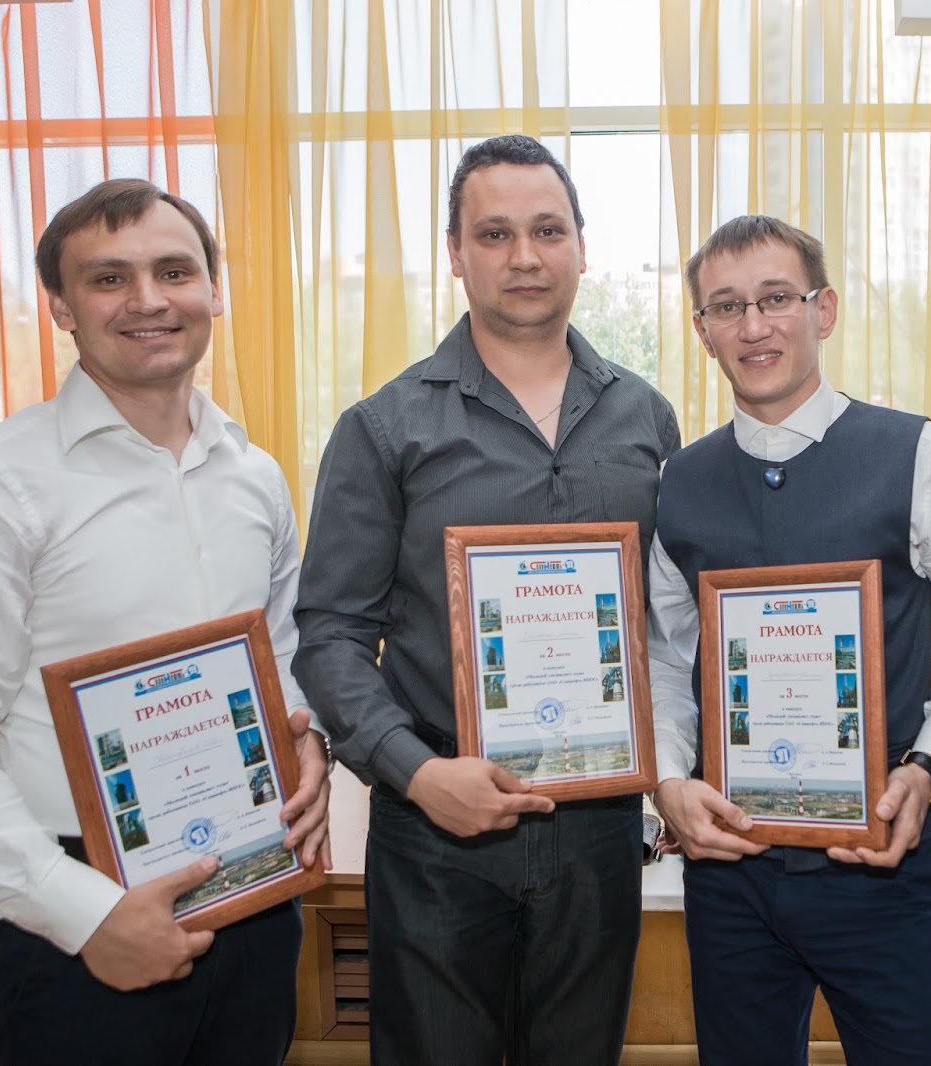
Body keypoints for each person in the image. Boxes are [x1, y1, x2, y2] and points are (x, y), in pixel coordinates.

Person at [0, 179, 333, 1065]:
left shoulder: (253, 476)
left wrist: (309, 738)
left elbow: (282, 648)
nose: (148, 300)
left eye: (174, 271)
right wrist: (87, 915)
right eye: (108, 278)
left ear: (214, 289)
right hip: (78, 923)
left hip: (256, 900)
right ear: (60, 306)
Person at [293, 135, 681, 1065]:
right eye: (495, 233)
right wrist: (417, 774)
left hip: (601, 825)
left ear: (581, 246)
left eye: (547, 230)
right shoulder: (383, 428)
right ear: (456, 253)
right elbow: (331, 638)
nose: (524, 256)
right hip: (436, 820)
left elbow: (670, 623)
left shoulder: (647, 416)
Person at [648, 215, 931, 1065]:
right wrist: (668, 781)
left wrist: (927, 767)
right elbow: (667, 658)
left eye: (777, 298)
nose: (754, 326)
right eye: (727, 307)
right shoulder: (678, 482)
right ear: (702, 331)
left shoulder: (921, 454)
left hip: (878, 863)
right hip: (730, 876)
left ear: (825, 309)